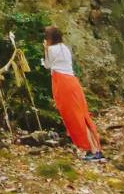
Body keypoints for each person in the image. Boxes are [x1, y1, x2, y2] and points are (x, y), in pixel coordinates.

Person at [42, 25, 105, 162]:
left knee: (75, 118)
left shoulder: (50, 49)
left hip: (63, 84)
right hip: (73, 82)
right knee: (83, 115)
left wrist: (45, 49)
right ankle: (96, 148)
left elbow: (47, 65)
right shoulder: (65, 48)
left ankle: (92, 150)